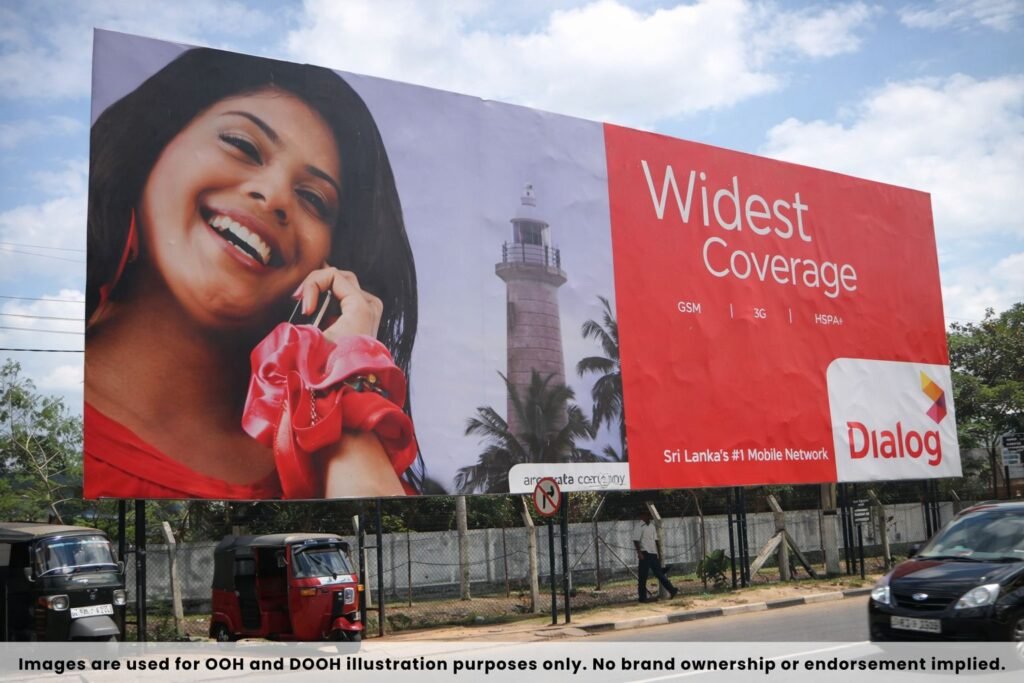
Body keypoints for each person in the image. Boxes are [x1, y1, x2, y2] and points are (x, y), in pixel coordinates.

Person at [84, 46, 419, 499]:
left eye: (314, 199)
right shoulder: (47, 422)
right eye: (242, 145)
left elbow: (381, 541)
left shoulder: (352, 465)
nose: (274, 196)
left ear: (329, 263)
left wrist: (344, 374)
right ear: (153, 147)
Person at [633, 509, 678, 601]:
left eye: (647, 515)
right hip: (644, 553)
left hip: (653, 553)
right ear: (642, 516)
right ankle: (642, 597)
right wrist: (639, 553)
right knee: (643, 576)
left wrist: (659, 553)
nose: (646, 517)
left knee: (659, 574)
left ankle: (672, 590)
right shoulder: (639, 526)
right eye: (644, 515)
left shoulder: (652, 526)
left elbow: (656, 540)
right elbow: (636, 540)